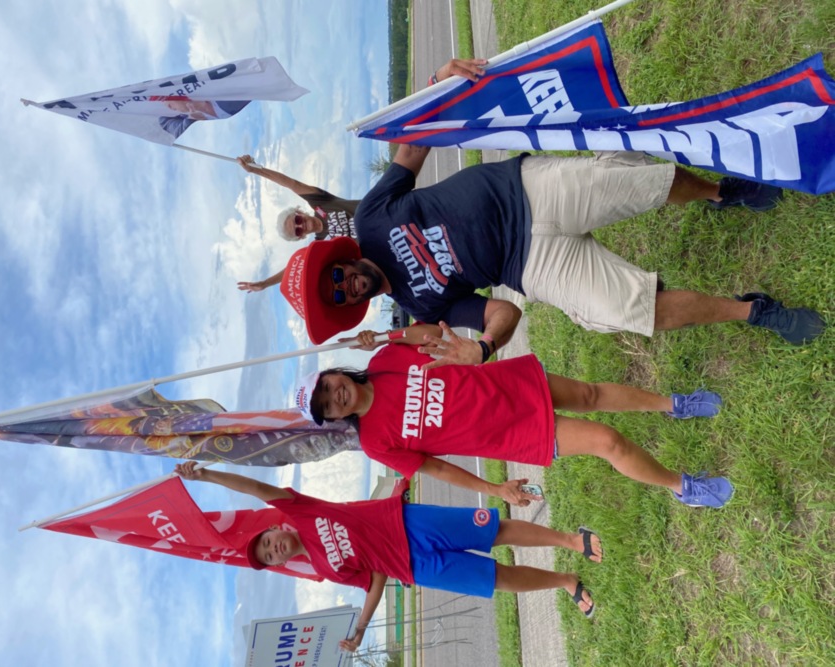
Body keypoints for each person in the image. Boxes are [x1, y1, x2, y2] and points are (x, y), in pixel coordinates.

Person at [280, 59, 826, 353]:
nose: (346, 286)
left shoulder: (374, 218)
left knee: (643, 177)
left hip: (526, 190)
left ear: (340, 262)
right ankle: (754, 310)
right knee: (628, 314)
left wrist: (436, 86)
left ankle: (719, 192)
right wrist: (484, 348)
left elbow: (414, 144)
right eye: (339, 296)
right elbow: (503, 312)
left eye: (337, 278)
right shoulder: (423, 308)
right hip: (529, 267)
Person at [174, 460, 604, 653]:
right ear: (278, 564)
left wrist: (207, 474)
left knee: (496, 530)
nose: (272, 550)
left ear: (274, 529)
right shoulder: (325, 569)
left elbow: (255, 489)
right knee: (497, 579)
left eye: (266, 543)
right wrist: (360, 629)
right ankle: (566, 582)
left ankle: (571, 540)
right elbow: (374, 580)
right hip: (416, 567)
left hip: (411, 522)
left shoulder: (300, 511)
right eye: (269, 558)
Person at [295, 322, 733, 510]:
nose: (335, 397)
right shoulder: (375, 441)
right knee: (607, 441)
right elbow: (437, 468)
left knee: (590, 393)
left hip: (507, 384)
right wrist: (494, 489)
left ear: (334, 372)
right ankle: (683, 487)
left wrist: (384, 336)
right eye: (327, 407)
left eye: (327, 387)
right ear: (333, 417)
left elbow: (432, 333)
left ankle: (674, 405)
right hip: (510, 431)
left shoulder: (388, 359)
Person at [235, 154, 359, 293]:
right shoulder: (321, 245)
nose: (301, 226)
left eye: (297, 220)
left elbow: (292, 184)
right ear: (301, 237)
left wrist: (255, 170)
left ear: (300, 212)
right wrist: (265, 283)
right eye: (298, 231)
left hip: (380, 213)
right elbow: (295, 267)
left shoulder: (321, 203)